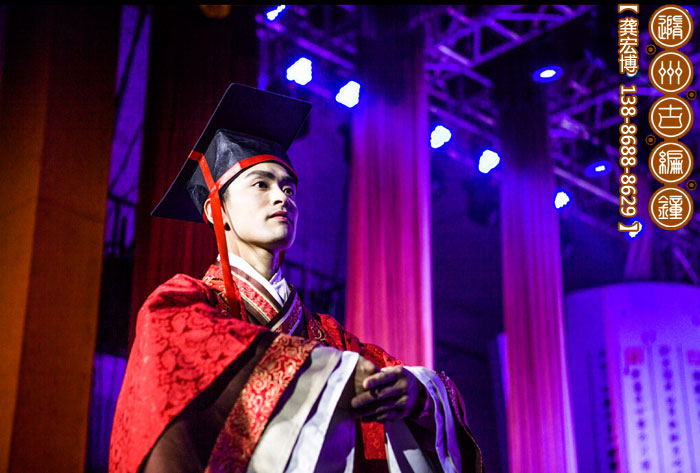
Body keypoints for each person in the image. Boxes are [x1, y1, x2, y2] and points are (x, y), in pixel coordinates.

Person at [109, 84, 484, 473]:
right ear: (215, 209)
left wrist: (417, 395)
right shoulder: (186, 305)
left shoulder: (329, 337)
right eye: (262, 184)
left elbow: (409, 383)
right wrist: (329, 376)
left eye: (288, 187)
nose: (282, 197)